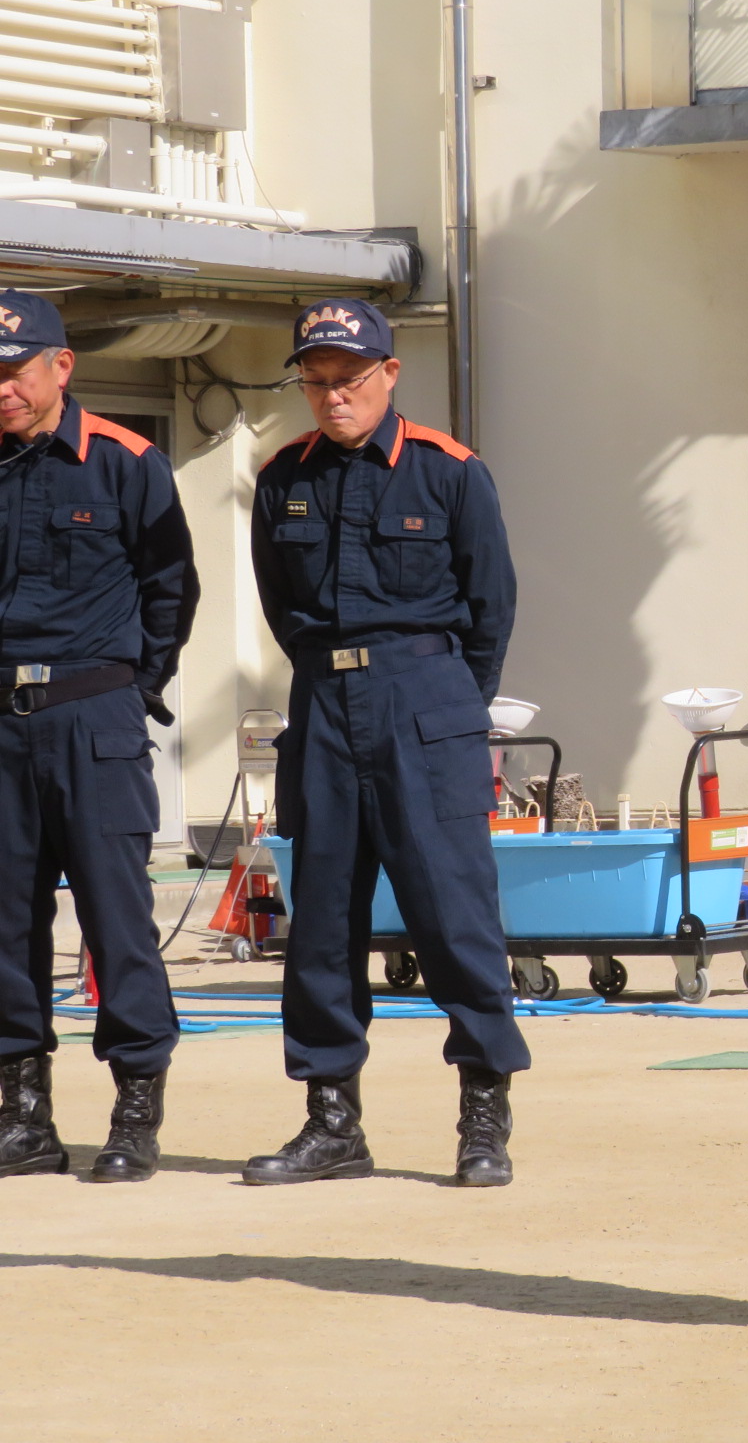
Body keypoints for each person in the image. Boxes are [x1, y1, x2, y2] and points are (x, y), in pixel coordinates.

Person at [244, 298, 527, 1187]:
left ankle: (483, 1117)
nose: (331, 398)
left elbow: (492, 609)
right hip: (324, 704)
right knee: (322, 920)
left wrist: (442, 705)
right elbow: (281, 608)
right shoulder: (282, 477)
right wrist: (339, 680)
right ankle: (333, 1122)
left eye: (349, 380)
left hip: (425, 704)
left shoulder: (449, 472)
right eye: (315, 382)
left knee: (454, 917)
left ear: (389, 376)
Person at [0, 290, 198, 1183]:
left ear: (60, 366)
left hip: (94, 720)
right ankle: (25, 1116)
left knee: (119, 923)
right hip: (1, 726)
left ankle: (135, 1109)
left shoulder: (126, 462)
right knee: (5, 927)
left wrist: (132, 691)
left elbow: (172, 591)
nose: (3, 389)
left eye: (15, 370)